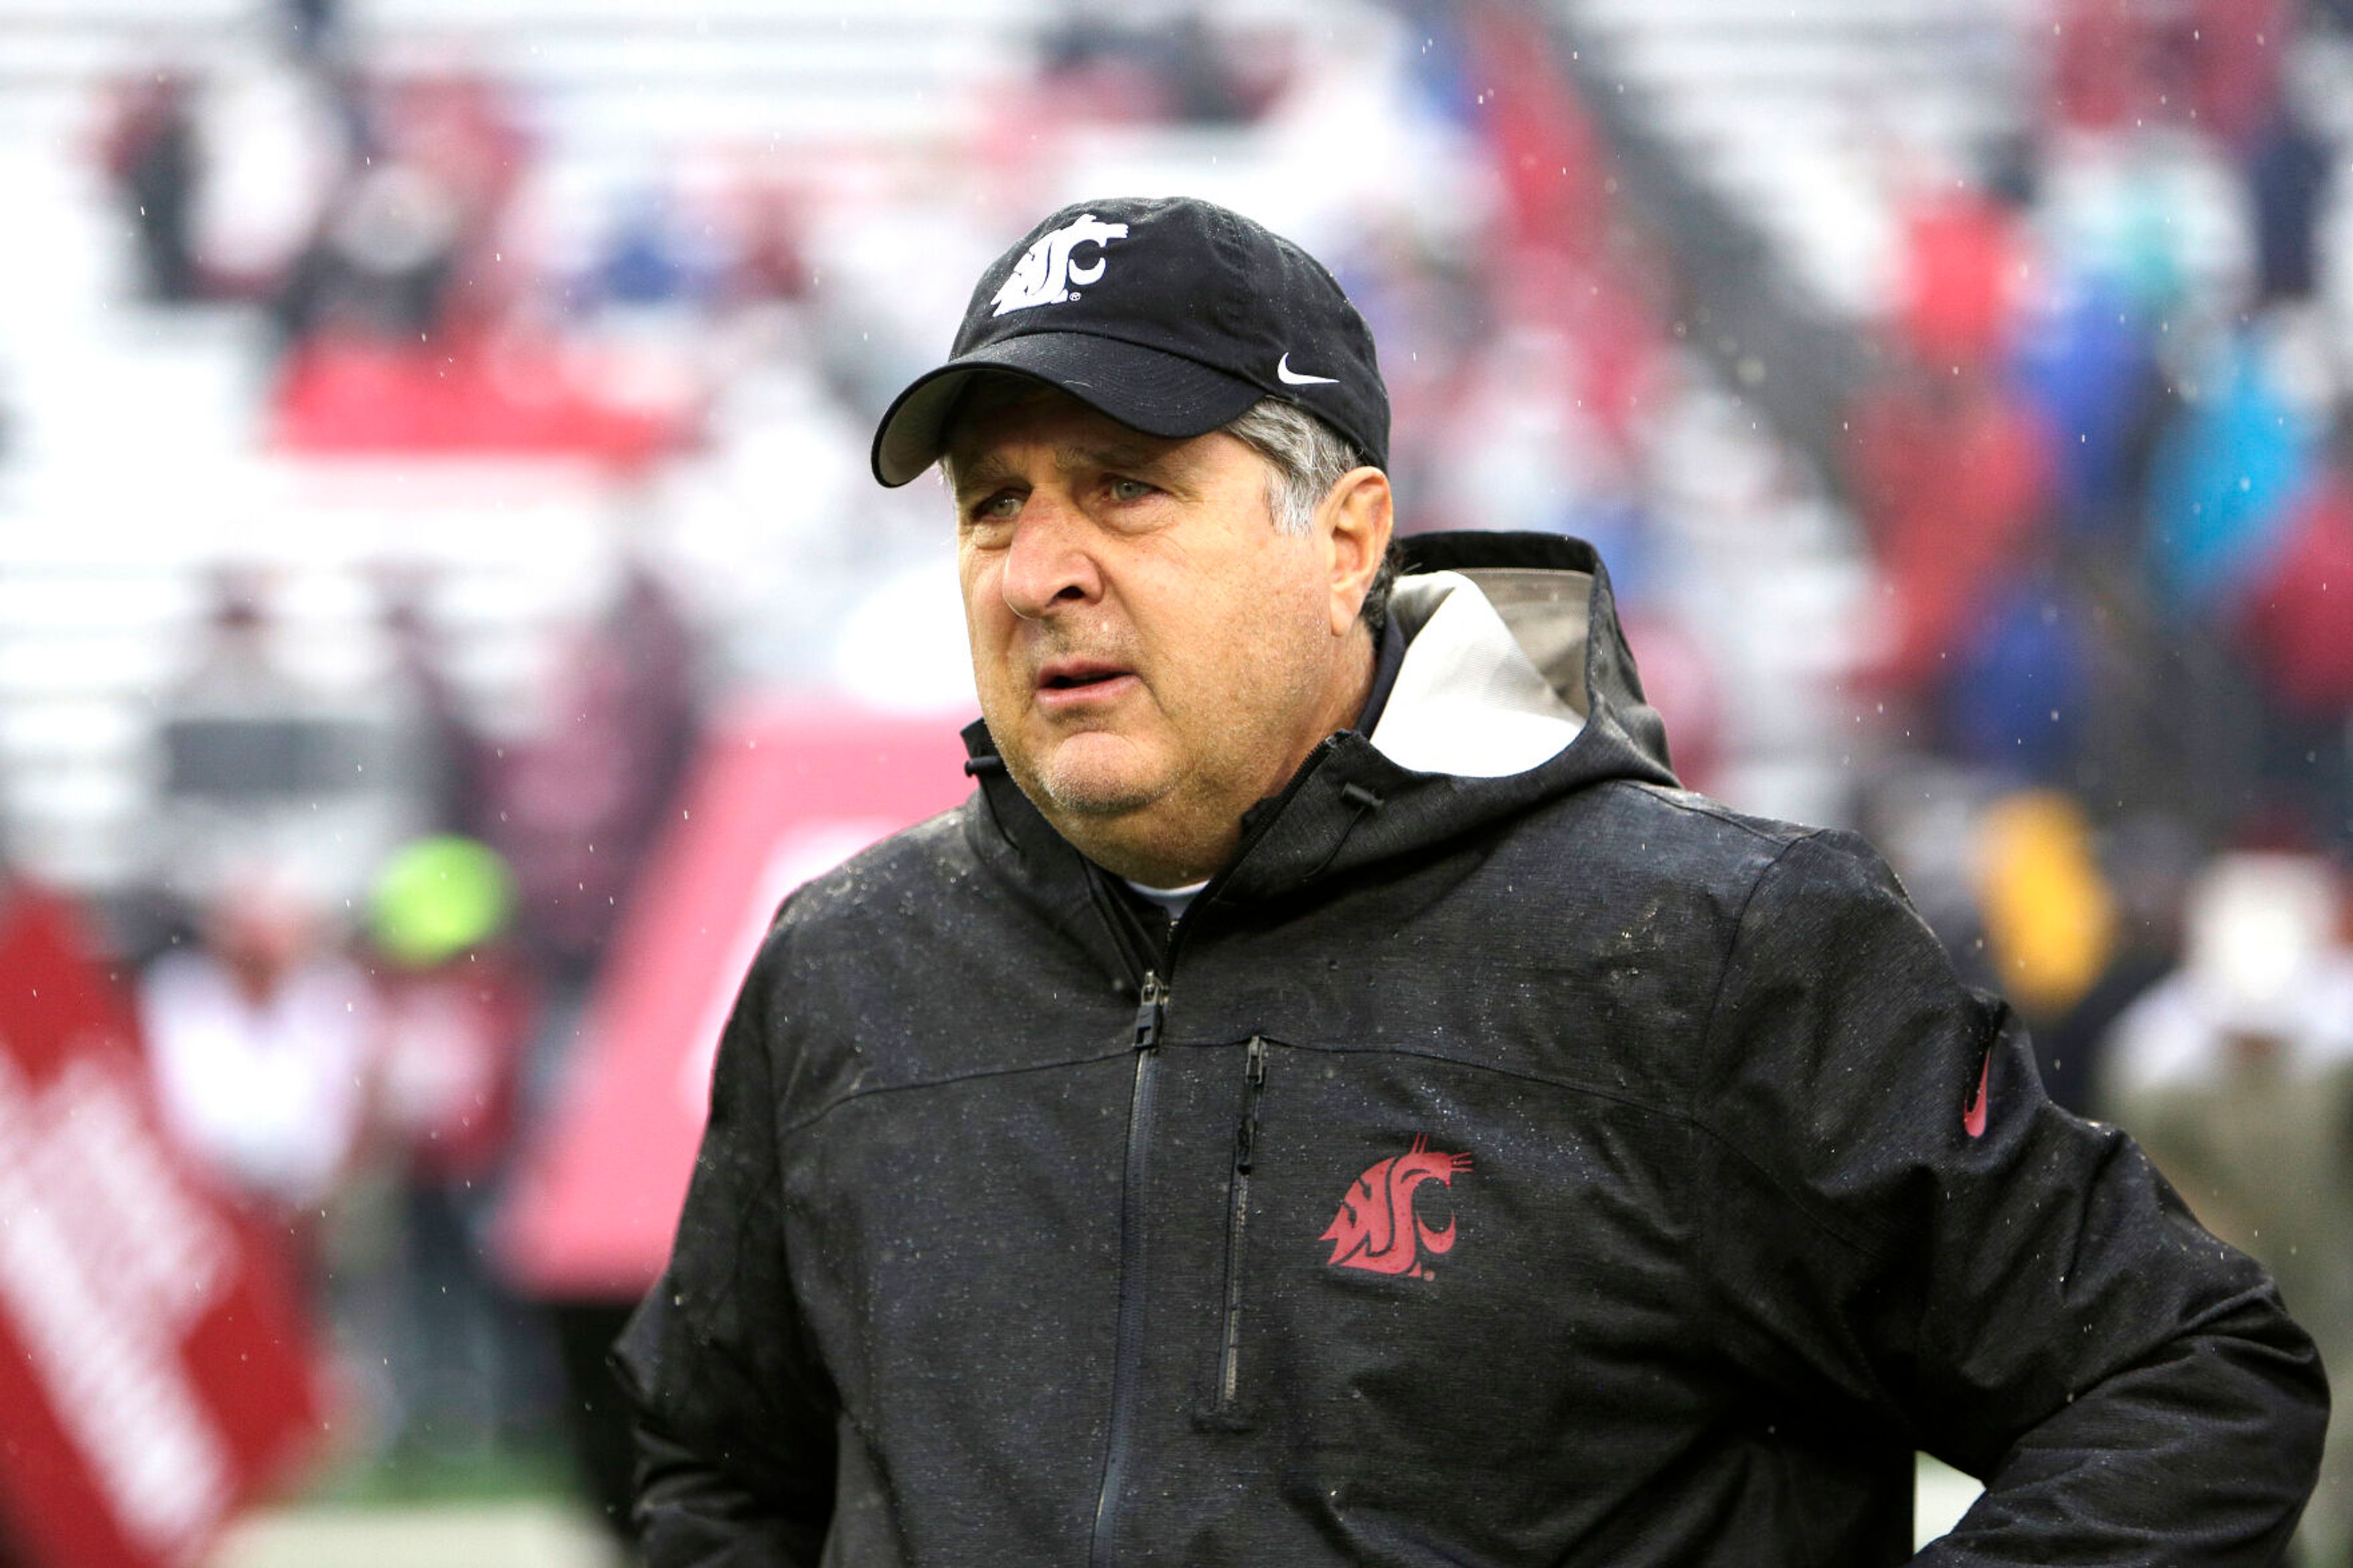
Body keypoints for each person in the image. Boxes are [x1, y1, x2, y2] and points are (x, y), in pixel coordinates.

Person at [615, 196, 2324, 1565]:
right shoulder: (847, 974)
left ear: (1348, 538)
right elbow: (719, 1472)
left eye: (1127, 489)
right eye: (996, 507)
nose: (1043, 568)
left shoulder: (1714, 951)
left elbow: (2185, 1383)